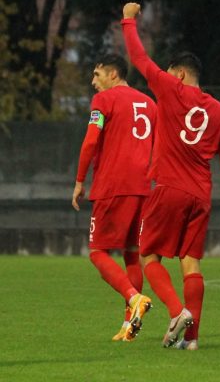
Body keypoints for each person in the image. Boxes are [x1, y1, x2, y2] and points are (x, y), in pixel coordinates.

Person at [121, 3, 220, 350]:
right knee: (191, 263)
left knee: (149, 256)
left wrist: (128, 20)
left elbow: (140, 60)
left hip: (169, 188)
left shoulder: (171, 89)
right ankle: (192, 340)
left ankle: (177, 313)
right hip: (201, 195)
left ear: (180, 75)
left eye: (171, 73)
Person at [72, 53, 156, 341]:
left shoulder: (104, 101)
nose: (93, 81)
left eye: (97, 75)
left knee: (97, 253)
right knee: (132, 253)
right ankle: (128, 327)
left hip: (114, 186)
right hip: (144, 187)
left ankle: (134, 299)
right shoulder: (150, 104)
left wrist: (80, 179)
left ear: (113, 74)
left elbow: (91, 140)